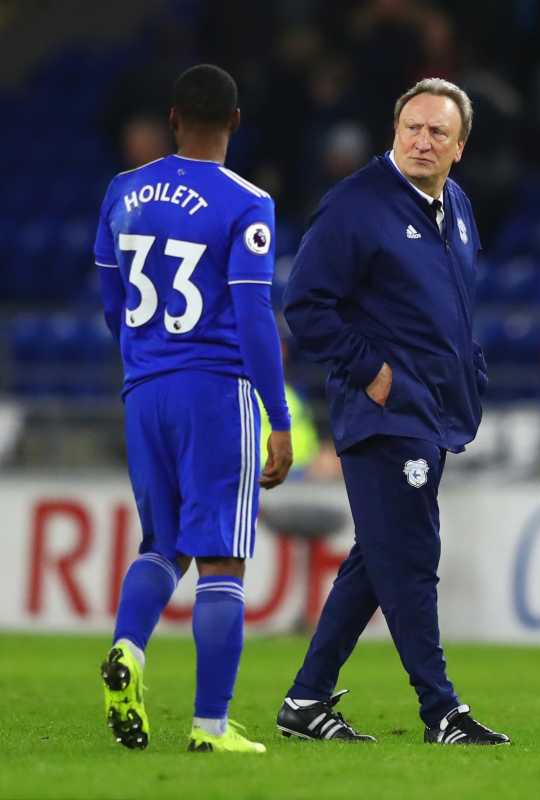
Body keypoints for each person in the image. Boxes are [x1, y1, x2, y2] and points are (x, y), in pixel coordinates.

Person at [278, 78, 510, 745]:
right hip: (384, 412)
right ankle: (441, 710)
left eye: (437, 132)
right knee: (408, 555)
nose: (421, 140)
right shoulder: (355, 205)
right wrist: (372, 373)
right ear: (394, 131)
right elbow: (305, 306)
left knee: (379, 556)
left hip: (433, 408)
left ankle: (304, 701)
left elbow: (454, 303)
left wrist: (470, 370)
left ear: (458, 147)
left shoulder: (456, 205)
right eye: (411, 126)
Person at [94, 64, 293, 754]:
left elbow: (111, 300)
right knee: (221, 562)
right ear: (235, 122)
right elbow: (253, 312)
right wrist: (280, 418)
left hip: (144, 388)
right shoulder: (247, 202)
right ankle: (211, 725)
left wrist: (143, 359)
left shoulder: (122, 191)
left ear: (174, 116)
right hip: (214, 389)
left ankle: (128, 647)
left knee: (162, 544)